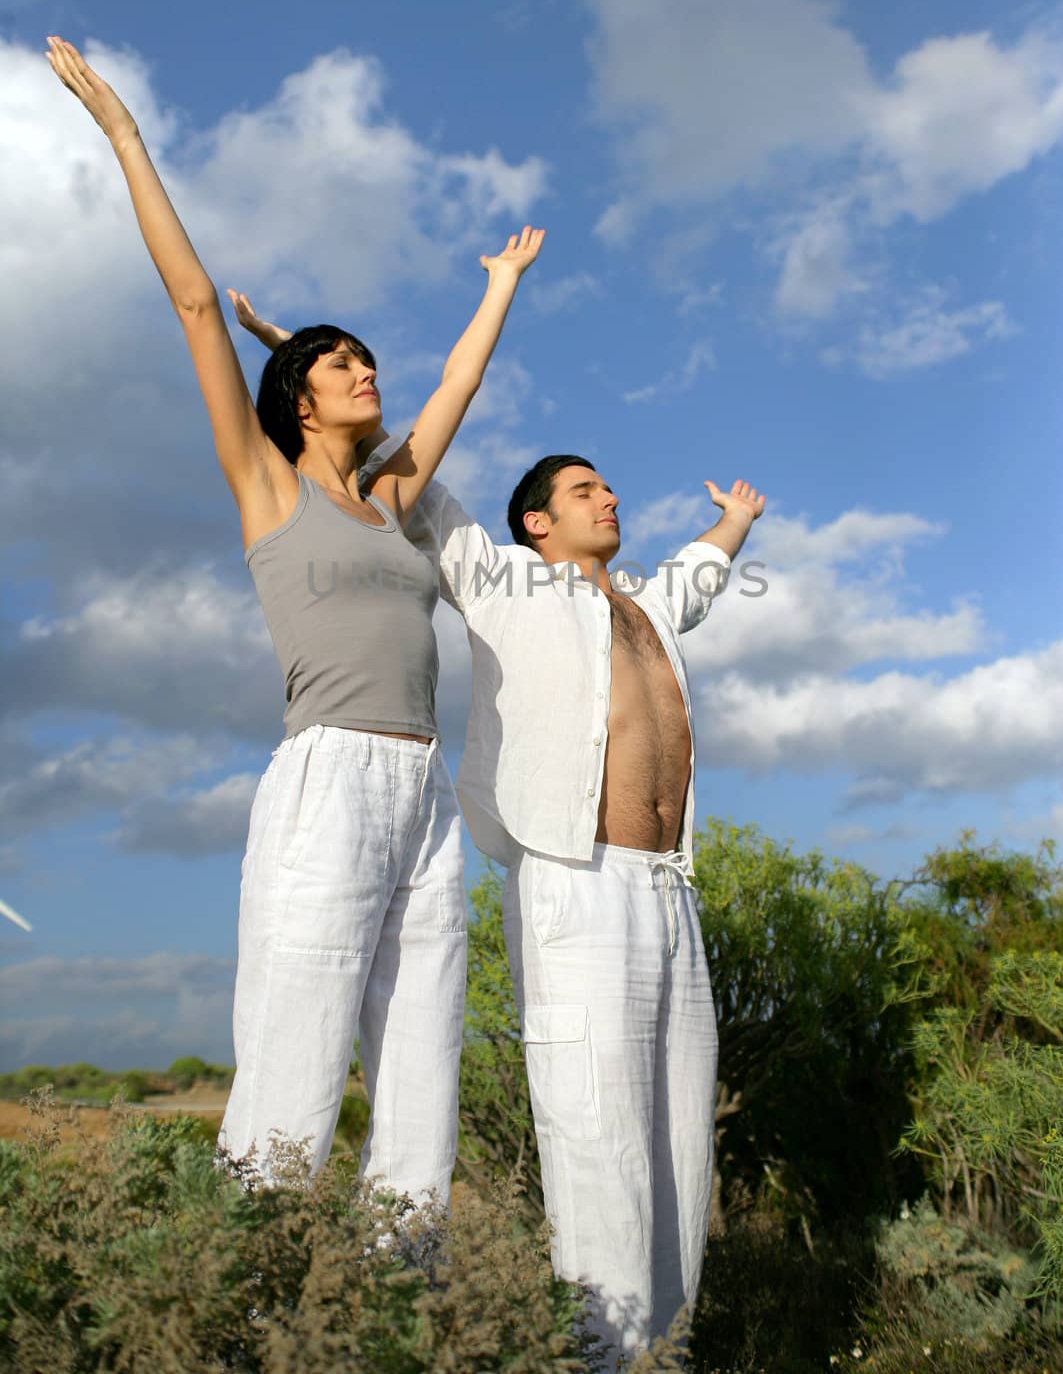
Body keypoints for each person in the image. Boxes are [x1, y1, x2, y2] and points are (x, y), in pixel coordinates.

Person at [45, 35, 544, 1199]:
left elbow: (456, 390)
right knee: (297, 1050)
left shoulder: (391, 502)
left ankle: (399, 1297)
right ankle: (249, 1279)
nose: (365, 369)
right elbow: (190, 305)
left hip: (418, 793)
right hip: (323, 779)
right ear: (297, 394)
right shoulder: (266, 488)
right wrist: (123, 133)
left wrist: (498, 287)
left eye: (369, 357)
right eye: (339, 361)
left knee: (420, 1068)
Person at [236, 302, 764, 1366]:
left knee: (673, 1147)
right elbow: (402, 459)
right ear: (534, 522)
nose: (607, 496)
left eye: (607, 486)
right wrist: (282, 346)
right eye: (583, 490)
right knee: (598, 1137)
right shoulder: (498, 579)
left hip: (671, 892)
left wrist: (731, 526)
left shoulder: (648, 607)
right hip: (576, 879)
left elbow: (696, 579)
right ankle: (600, 1353)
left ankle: (663, 1349)